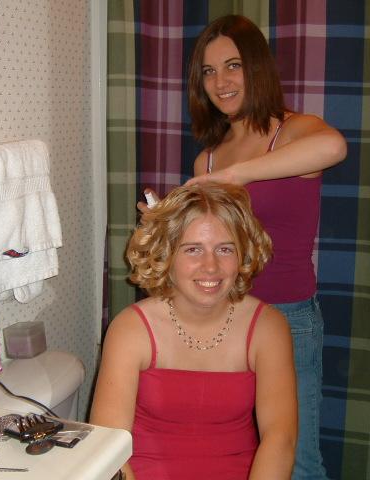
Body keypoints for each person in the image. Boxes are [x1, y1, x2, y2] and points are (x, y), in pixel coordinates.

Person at [182, 14, 348, 480]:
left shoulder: (291, 131)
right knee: (232, 450)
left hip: (288, 317)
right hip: (225, 317)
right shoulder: (207, 158)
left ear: (257, 67)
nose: (221, 82)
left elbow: (334, 147)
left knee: (297, 460)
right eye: (209, 71)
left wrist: (238, 175)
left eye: (233, 65)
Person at [91, 183, 297, 479]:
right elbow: (109, 447)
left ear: (242, 255)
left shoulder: (267, 328)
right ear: (166, 254)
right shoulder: (131, 329)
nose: (210, 266)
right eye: (193, 249)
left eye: (225, 249)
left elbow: (280, 440)